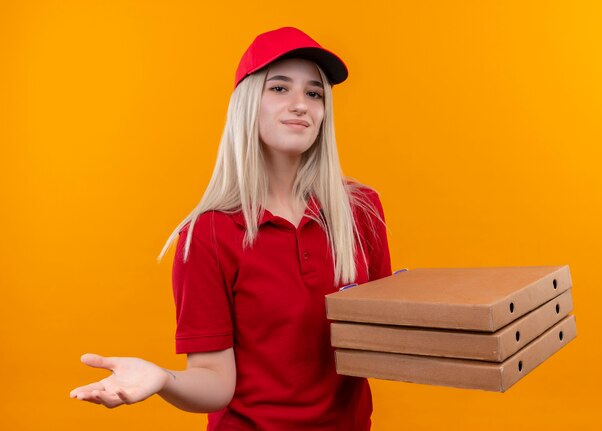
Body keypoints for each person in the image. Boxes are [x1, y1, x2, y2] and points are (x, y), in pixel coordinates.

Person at [70, 27, 391, 430]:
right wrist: (162, 380)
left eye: (314, 93)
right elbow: (216, 383)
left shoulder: (360, 211)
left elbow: (382, 343)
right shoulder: (207, 234)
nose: (300, 105)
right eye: (279, 88)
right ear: (246, 105)